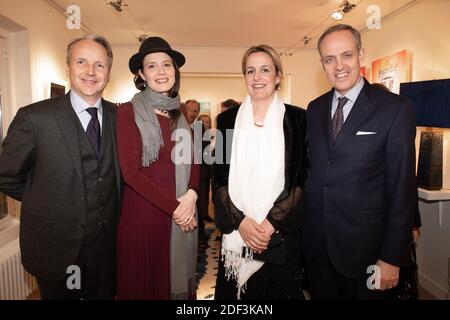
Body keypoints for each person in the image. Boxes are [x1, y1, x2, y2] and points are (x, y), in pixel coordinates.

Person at [0, 35, 121, 300]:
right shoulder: (34, 118)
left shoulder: (120, 117)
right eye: (81, 62)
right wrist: (48, 199)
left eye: (99, 65)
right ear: (68, 67)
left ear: (108, 72)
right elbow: (6, 176)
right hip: (55, 248)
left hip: (106, 249)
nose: (91, 71)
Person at [303, 24, 417, 300]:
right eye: (329, 59)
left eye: (347, 55)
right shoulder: (314, 108)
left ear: (361, 55)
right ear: (322, 64)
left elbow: (402, 189)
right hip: (318, 249)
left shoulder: (394, 109)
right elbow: (315, 170)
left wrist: (391, 257)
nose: (338, 66)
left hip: (367, 252)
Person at [213, 44, 308, 300]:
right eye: (250, 71)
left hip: (280, 236)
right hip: (237, 235)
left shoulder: (299, 119)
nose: (257, 77)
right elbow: (219, 177)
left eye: (265, 70)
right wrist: (240, 222)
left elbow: (301, 177)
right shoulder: (226, 121)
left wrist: (270, 223)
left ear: (277, 76)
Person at [116, 36, 200, 300]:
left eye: (167, 64)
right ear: (141, 74)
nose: (161, 71)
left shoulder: (181, 113)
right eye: (152, 66)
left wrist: (192, 194)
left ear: (175, 70)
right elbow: (130, 172)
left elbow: (195, 159)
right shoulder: (127, 112)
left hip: (182, 211)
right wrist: (178, 208)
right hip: (144, 217)